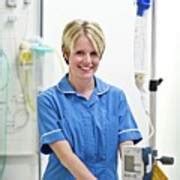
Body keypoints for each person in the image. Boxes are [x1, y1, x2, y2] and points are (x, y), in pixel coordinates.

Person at [37, 19, 142, 180]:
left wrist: (136, 176)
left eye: (94, 54)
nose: (87, 61)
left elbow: (127, 146)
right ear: (66, 53)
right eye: (79, 53)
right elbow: (66, 157)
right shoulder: (49, 101)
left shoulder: (116, 97)